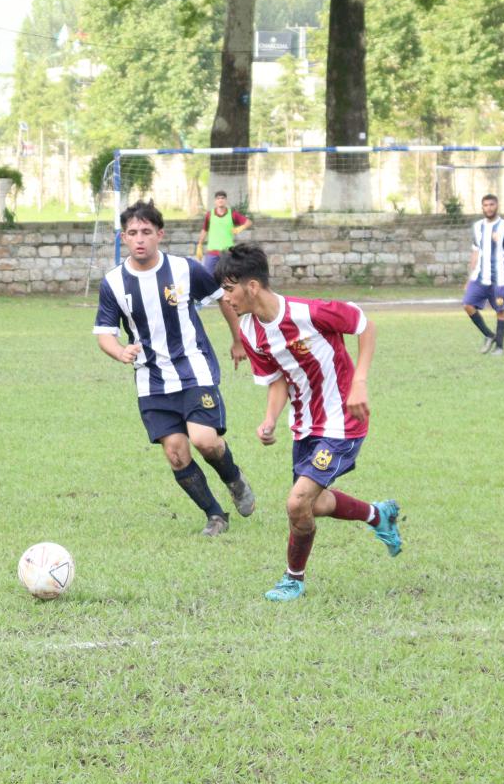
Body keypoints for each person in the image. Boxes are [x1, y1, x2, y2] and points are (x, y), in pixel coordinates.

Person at [215, 243, 402, 601]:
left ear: (251, 286)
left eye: (228, 288)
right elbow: (277, 380)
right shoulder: (250, 332)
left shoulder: (309, 312)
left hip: (343, 421)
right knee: (314, 504)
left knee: (297, 502)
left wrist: (359, 381)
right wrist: (269, 419)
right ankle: (378, 515)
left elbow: (365, 326)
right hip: (304, 425)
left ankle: (293, 579)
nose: (225, 298)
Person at [95, 200, 257, 536]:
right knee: (176, 454)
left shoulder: (186, 269)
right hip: (151, 380)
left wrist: (238, 340)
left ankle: (234, 478)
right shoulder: (113, 282)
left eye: (146, 231)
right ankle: (215, 515)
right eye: (132, 233)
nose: (140, 238)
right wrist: (120, 351)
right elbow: (104, 333)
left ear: (160, 234)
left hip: (193, 368)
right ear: (124, 238)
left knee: (205, 440)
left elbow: (223, 299)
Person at [461, 193, 504, 355]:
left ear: (497, 206)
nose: (489, 208)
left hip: (499, 279)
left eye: (491, 205)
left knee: (500, 311)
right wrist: (469, 278)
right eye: (486, 205)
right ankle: (488, 334)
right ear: (482, 208)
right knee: (467, 304)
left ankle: (499, 347)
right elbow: (475, 252)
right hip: (479, 277)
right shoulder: (477, 226)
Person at [194, 190, 250, 275]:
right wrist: (199, 245)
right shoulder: (210, 215)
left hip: (227, 253)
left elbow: (248, 222)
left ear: (226, 200)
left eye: (222, 198)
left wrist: (241, 228)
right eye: (218, 198)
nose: (220, 200)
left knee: (228, 278)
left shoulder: (232, 214)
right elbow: (204, 230)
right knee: (208, 277)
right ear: (215, 201)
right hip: (212, 253)